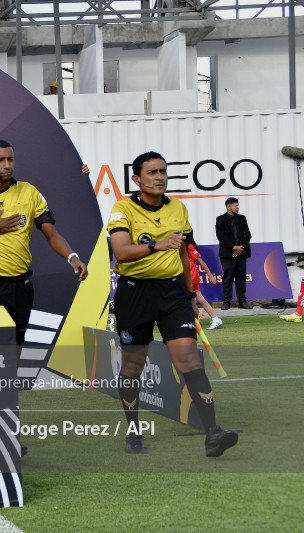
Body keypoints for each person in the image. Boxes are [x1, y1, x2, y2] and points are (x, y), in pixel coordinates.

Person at [107, 151, 237, 457]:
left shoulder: (178, 209)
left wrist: (190, 296)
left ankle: (212, 434)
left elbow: (182, 253)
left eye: (163, 171)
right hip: (134, 294)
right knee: (132, 366)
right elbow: (122, 253)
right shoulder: (122, 209)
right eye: (152, 172)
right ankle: (134, 431)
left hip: (172, 294)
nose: (160, 176)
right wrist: (156, 244)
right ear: (137, 179)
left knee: (189, 360)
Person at [0, 139, 88, 350]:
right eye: (0, 160)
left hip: (22, 286)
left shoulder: (28, 192)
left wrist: (72, 257)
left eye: (10, 159)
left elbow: (51, 234)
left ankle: (12, 384)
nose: (7, 165)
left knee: (17, 346)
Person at [215, 197, 252, 310]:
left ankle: (242, 301)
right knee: (228, 278)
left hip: (242, 253)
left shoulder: (242, 218)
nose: (238, 207)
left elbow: (248, 235)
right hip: (228, 254)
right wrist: (233, 247)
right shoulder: (220, 219)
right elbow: (221, 236)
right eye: (236, 206)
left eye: (238, 205)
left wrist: (240, 247)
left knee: (241, 278)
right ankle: (226, 302)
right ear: (229, 207)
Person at [187, 239, 222, 330]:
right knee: (200, 299)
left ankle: (195, 316)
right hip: (186, 278)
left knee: (184, 299)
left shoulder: (189, 246)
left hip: (190, 278)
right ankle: (215, 318)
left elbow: (201, 262)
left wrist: (210, 275)